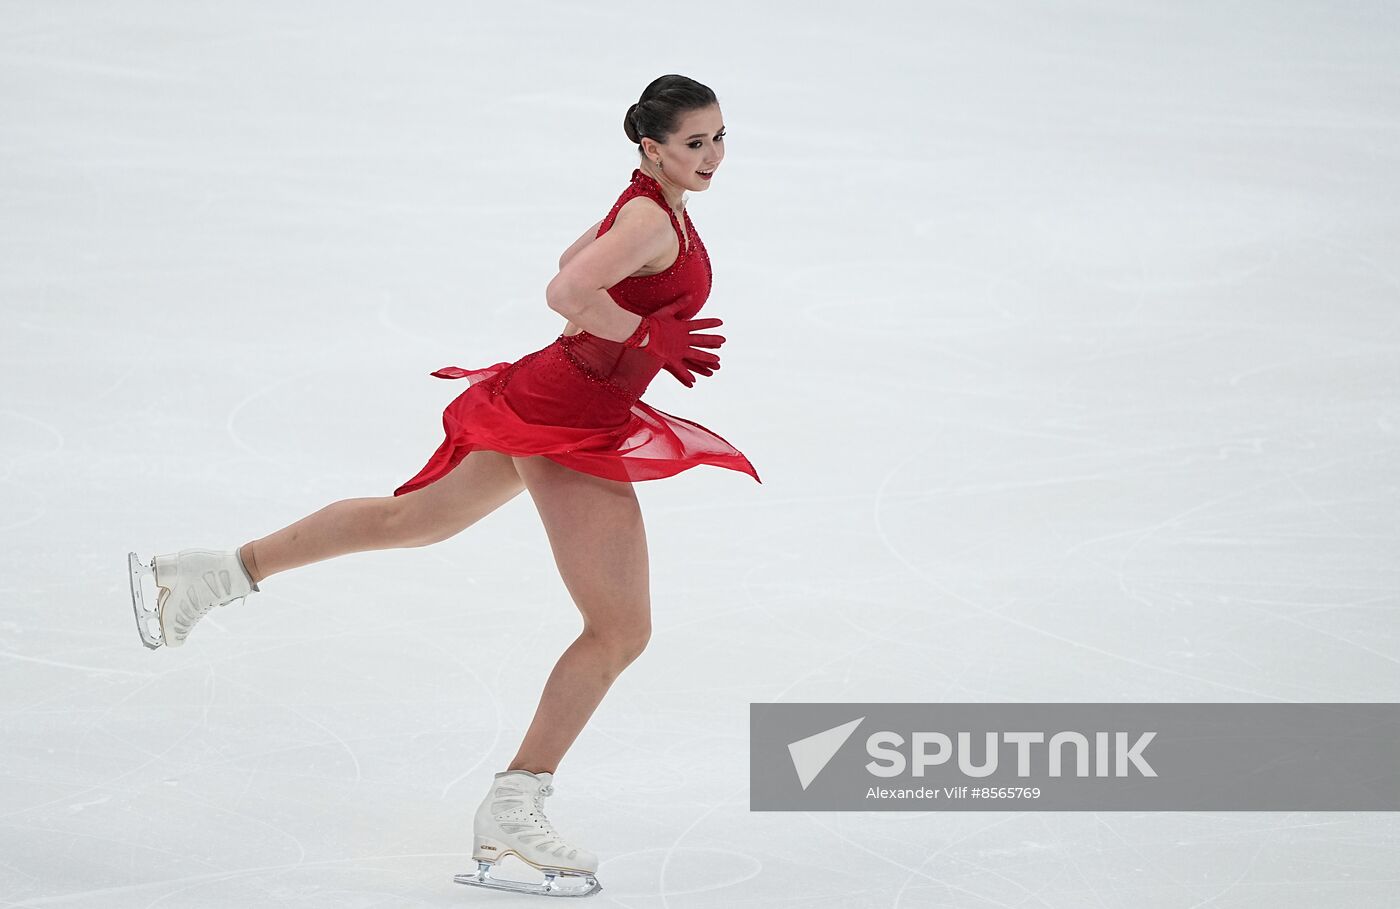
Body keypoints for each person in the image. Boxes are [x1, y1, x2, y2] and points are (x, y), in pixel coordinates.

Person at [124, 74, 757, 898]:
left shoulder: (652, 203)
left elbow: (576, 261)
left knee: (412, 521)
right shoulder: (648, 214)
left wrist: (633, 327)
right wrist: (643, 332)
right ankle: (515, 802)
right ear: (652, 147)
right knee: (619, 628)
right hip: (570, 416)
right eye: (694, 142)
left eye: (719, 138)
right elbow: (566, 290)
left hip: (558, 392)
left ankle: (210, 572)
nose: (712, 156)